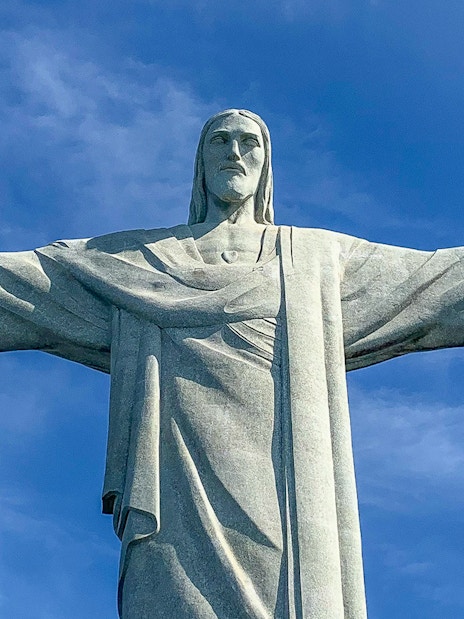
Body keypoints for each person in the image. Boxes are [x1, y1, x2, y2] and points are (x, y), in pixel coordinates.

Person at [2, 109, 464, 618]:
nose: (234, 153)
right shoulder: (135, 261)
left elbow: (434, 283)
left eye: (249, 142)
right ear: (200, 162)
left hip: (283, 478)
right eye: (219, 141)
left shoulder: (312, 258)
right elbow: (25, 284)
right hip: (172, 479)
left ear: (267, 165)